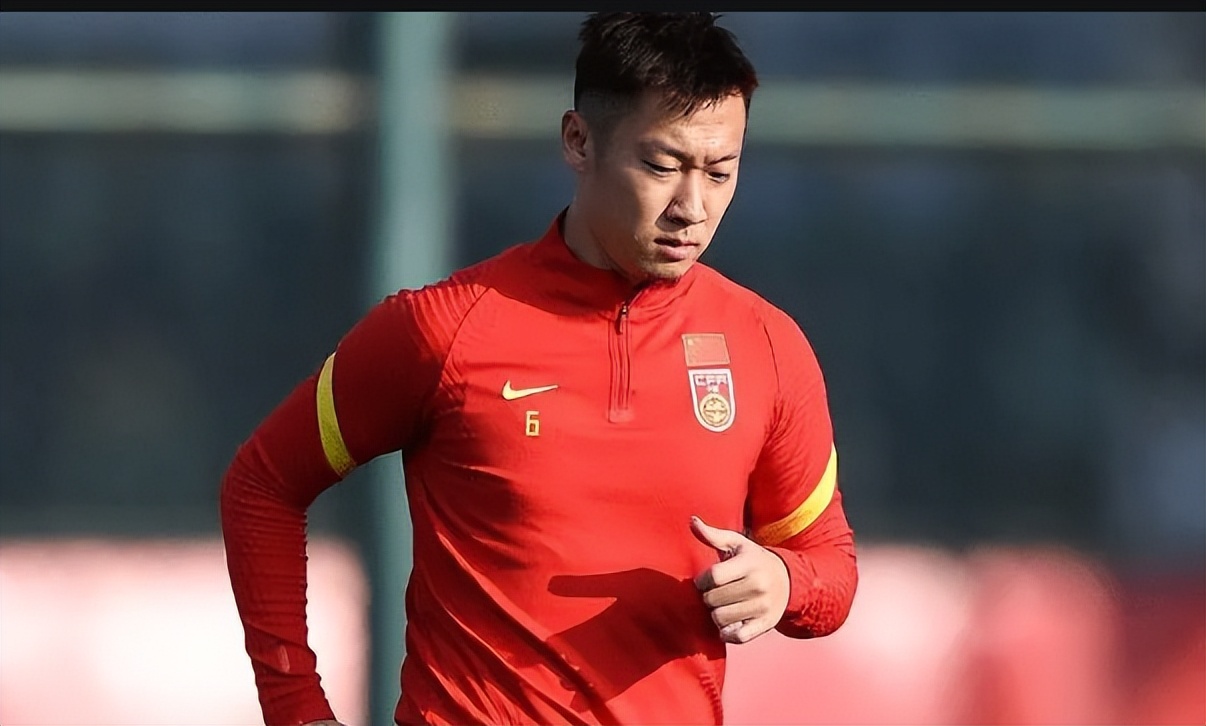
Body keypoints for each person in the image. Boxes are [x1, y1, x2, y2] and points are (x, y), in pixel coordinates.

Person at [221, 12, 858, 726]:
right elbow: (263, 484)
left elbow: (830, 568)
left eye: (720, 172)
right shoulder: (443, 328)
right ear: (579, 142)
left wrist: (785, 582)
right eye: (662, 166)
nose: (692, 207)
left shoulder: (766, 345)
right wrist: (295, 707)